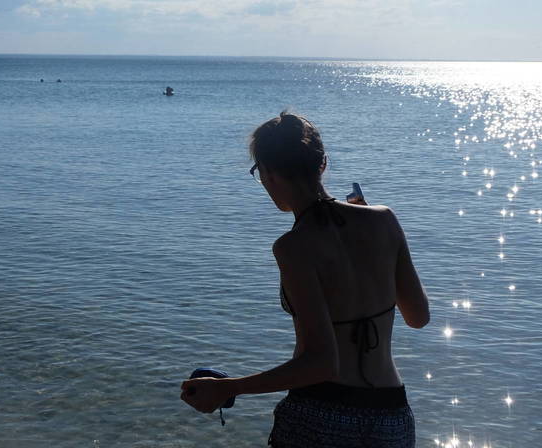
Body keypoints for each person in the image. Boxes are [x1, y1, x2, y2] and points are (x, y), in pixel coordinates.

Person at [180, 112, 430, 447]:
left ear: (267, 172)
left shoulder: (294, 247)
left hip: (321, 415)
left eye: (260, 174)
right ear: (322, 164)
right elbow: (418, 317)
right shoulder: (384, 220)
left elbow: (322, 363)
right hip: (391, 418)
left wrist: (229, 387)